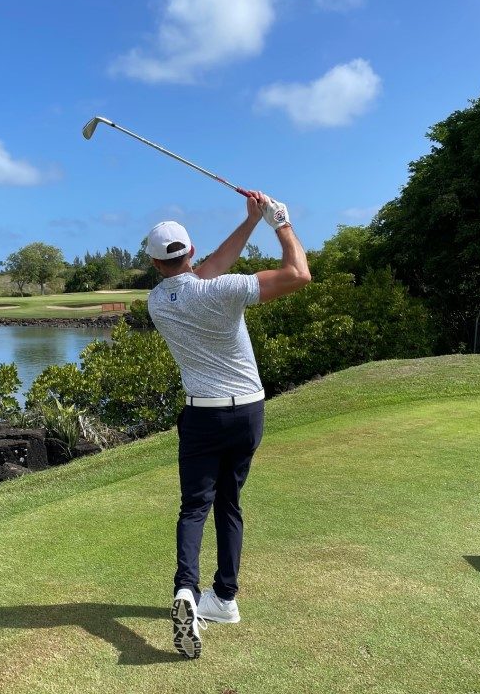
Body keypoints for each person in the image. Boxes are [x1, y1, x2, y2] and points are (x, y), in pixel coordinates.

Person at [145, 191, 311, 660]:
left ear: (156, 264)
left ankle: (186, 593)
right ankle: (226, 599)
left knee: (195, 506)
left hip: (202, 414)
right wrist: (279, 221)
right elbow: (299, 273)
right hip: (248, 412)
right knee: (231, 503)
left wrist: (250, 222)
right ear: (190, 252)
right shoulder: (225, 289)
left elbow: (204, 271)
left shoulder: (158, 302)